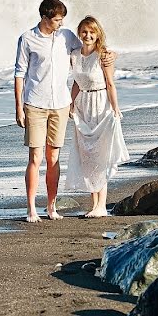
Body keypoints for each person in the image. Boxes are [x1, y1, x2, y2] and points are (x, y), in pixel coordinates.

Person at [14, 0, 82, 223]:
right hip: (35, 104)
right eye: (57, 20)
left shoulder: (66, 36)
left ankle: (51, 207)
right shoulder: (27, 39)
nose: (60, 24)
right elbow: (19, 74)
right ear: (45, 18)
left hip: (60, 104)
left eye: (62, 20)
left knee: (53, 157)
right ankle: (31, 208)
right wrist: (19, 108)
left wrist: (109, 55)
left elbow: (87, 52)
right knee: (35, 156)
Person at [65, 16, 129, 217]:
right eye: (84, 32)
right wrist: (70, 103)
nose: (88, 35)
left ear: (98, 33)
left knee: (101, 154)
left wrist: (115, 108)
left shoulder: (104, 55)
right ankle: (94, 204)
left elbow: (110, 83)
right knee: (87, 155)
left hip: (101, 104)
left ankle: (101, 205)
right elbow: (76, 82)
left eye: (92, 32)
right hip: (83, 105)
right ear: (79, 33)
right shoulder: (75, 55)